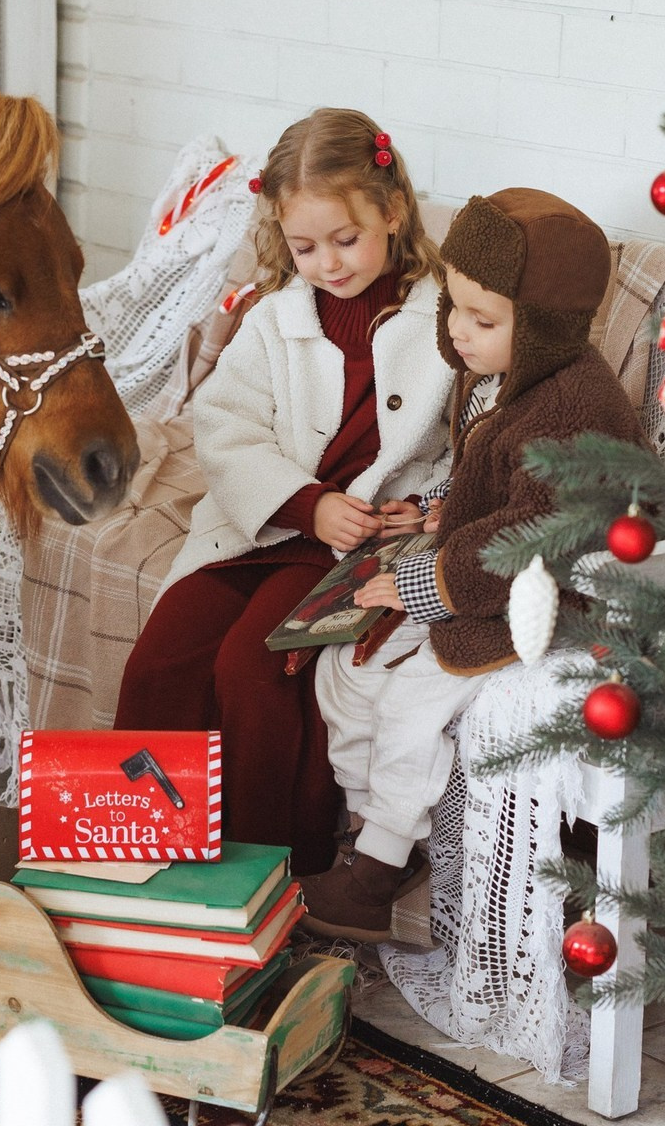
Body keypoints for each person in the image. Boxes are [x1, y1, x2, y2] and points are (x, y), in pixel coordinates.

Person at [112, 108, 454, 875]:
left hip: (353, 554)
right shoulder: (276, 321)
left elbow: (466, 444)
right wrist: (305, 504)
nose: (328, 264)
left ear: (392, 213)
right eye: (305, 247)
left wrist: (426, 510)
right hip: (259, 529)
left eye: (345, 240)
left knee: (255, 666)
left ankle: (269, 869)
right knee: (162, 659)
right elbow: (226, 429)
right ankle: (138, 851)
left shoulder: (443, 321)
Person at [302, 186, 648, 941]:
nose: (458, 331)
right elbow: (481, 479)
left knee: (412, 701)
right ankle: (378, 832)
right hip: (473, 571)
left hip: (546, 603)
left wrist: (427, 581)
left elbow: (541, 531)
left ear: (544, 333)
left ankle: (376, 874)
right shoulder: (496, 376)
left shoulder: (574, 408)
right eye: (452, 307)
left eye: (482, 319)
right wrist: (435, 508)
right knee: (345, 670)